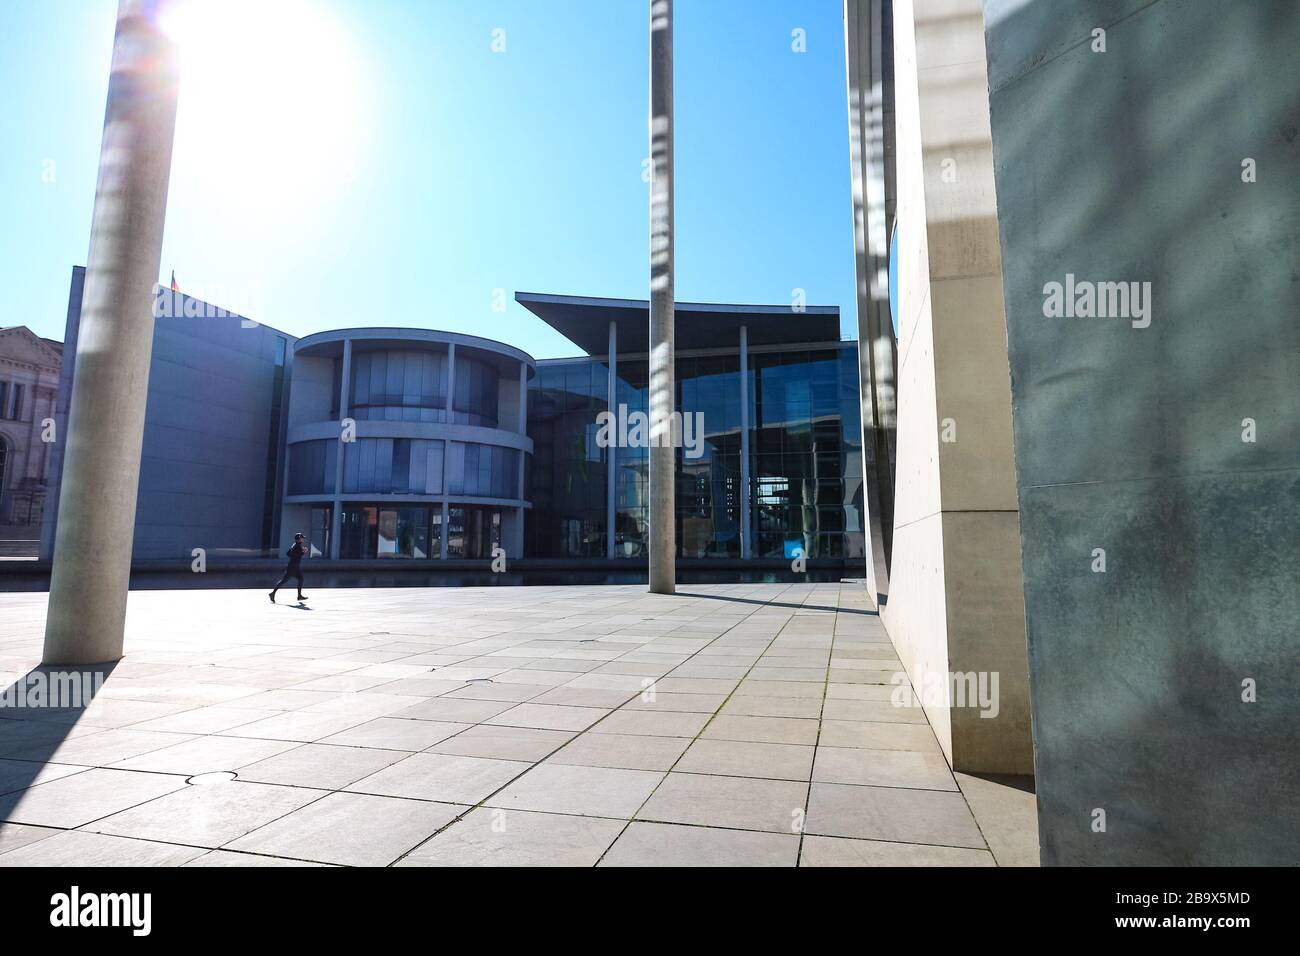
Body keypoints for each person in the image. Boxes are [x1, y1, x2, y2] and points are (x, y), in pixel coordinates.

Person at [269, 532, 308, 603]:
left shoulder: (295, 545)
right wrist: (304, 552)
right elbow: (297, 555)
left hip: (293, 566)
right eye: (302, 538)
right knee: (284, 581)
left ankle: (299, 596)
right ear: (299, 539)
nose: (303, 539)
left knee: (300, 579)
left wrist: (298, 554)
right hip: (293, 567)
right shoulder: (297, 546)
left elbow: (288, 554)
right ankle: (272, 593)